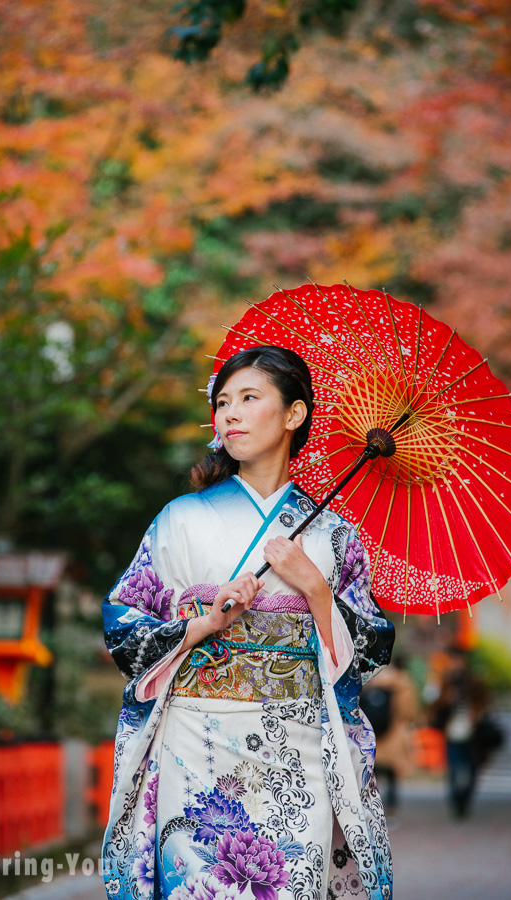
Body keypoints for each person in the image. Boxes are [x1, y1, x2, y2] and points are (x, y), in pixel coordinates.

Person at [101, 346, 395, 900]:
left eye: (249, 398)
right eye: (223, 402)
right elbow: (124, 626)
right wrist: (203, 624)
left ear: (294, 414)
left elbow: (373, 648)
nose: (229, 414)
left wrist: (313, 584)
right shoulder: (180, 520)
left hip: (296, 743)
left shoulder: (333, 535)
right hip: (195, 739)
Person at [430, 645, 489, 818]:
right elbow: (433, 706)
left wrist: (476, 713)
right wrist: (446, 699)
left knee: (471, 770)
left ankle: (465, 800)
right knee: (455, 769)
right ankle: (456, 802)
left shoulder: (474, 681)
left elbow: (485, 702)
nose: (456, 664)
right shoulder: (445, 682)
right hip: (452, 731)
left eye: (459, 660)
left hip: (473, 732)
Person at [362, 656, 419, 815]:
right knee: (392, 775)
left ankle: (372, 806)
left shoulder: (372, 681)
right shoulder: (404, 685)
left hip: (374, 733)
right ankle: (392, 807)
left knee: (374, 772)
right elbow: (410, 712)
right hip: (395, 733)